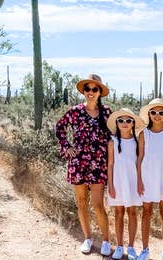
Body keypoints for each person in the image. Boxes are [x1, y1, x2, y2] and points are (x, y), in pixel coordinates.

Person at [55, 74, 112, 256]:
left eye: (94, 89)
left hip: (98, 164)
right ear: (83, 91)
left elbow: (117, 134)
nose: (90, 92)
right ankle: (87, 238)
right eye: (87, 89)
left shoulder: (107, 112)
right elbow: (60, 127)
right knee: (81, 203)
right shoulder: (75, 111)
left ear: (99, 92)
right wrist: (66, 146)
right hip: (78, 162)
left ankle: (106, 241)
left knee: (97, 204)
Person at [136, 98, 163, 260]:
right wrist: (139, 181)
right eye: (153, 112)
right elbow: (140, 158)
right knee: (146, 212)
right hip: (147, 178)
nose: (157, 115)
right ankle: (145, 249)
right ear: (149, 114)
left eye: (161, 112)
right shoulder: (143, 134)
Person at [106, 108, 145, 260]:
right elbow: (110, 164)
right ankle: (120, 246)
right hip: (118, 182)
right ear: (116, 123)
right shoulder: (112, 142)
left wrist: (140, 182)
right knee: (119, 212)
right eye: (121, 120)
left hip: (133, 182)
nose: (124, 123)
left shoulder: (137, 142)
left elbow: (140, 163)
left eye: (128, 120)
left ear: (133, 123)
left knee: (133, 212)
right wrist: (110, 185)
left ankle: (131, 247)